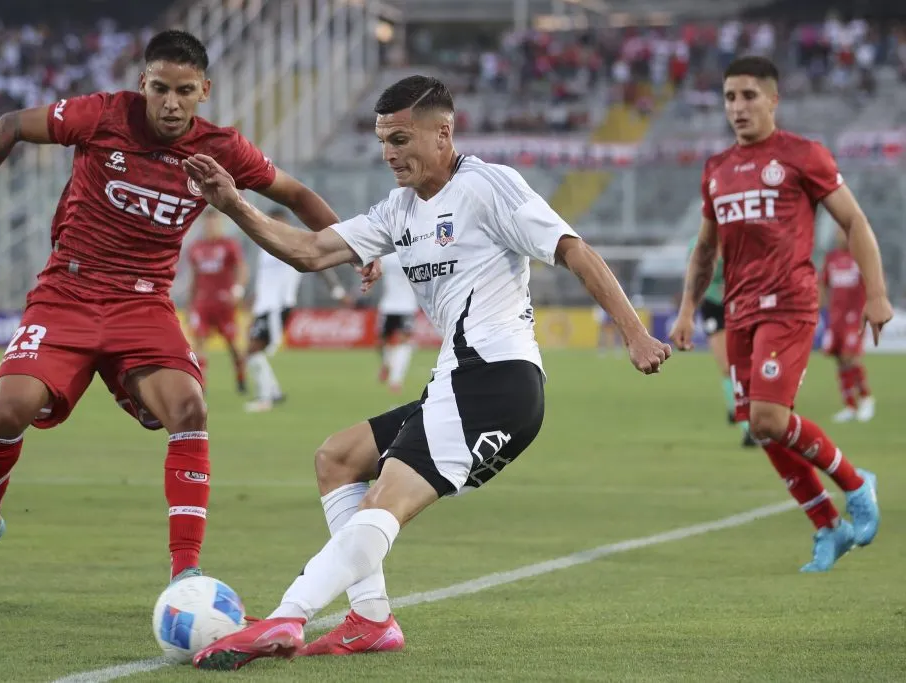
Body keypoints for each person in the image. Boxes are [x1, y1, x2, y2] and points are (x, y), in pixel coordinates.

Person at [181, 74, 671, 670]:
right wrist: (233, 203)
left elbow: (573, 249)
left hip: (494, 382)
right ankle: (370, 618)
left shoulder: (489, 187)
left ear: (444, 133)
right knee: (337, 459)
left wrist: (634, 332)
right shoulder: (399, 209)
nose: (390, 153)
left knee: (382, 503)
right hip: (459, 383)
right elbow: (309, 251)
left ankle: (289, 614)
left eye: (401, 138)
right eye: (384, 140)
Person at [0, 30, 354, 601]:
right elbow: (8, 126)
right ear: (142, 84)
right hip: (67, 292)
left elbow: (294, 193)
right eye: (160, 88)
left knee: (190, 407)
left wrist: (352, 246)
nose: (171, 103)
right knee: (7, 412)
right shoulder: (100, 115)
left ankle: (185, 576)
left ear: (204, 91)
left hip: (144, 303)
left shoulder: (221, 149)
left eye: (184, 91)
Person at [670, 56, 889, 573]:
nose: (738, 107)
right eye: (729, 97)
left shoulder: (802, 155)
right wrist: (685, 311)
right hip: (741, 312)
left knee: (768, 417)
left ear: (773, 99)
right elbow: (705, 251)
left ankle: (857, 486)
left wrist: (877, 294)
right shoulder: (716, 170)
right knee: (760, 425)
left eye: (748, 95)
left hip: (789, 303)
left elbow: (853, 220)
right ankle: (826, 526)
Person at [244, 207, 352, 413]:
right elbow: (265, 278)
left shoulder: (292, 242)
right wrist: (253, 297)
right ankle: (273, 392)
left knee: (253, 351)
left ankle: (266, 398)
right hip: (263, 306)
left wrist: (337, 291)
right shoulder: (263, 244)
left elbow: (319, 264)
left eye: (277, 221)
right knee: (253, 352)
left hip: (278, 306)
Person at [685, 234, 754, 446]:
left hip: (743, 304)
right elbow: (695, 276)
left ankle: (740, 409)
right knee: (726, 365)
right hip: (714, 305)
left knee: (746, 364)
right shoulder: (699, 243)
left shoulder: (743, 236)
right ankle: (746, 427)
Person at [186, 210, 248, 393]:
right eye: (208, 223)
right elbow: (194, 278)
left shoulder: (229, 245)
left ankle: (241, 376)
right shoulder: (196, 248)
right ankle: (201, 384)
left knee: (233, 346)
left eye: (214, 222)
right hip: (203, 303)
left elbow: (242, 269)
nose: (211, 226)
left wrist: (237, 290)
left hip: (224, 304)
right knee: (199, 343)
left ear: (220, 224)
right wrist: (191, 305)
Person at [819, 228, 874, 423]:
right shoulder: (831, 258)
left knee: (850, 358)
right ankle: (850, 405)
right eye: (838, 234)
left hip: (855, 317)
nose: (840, 237)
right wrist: (821, 308)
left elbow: (873, 282)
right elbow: (823, 284)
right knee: (840, 360)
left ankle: (866, 399)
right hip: (835, 318)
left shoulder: (860, 256)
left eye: (843, 233)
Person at [376, 251, 419, 393]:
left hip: (406, 306)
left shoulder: (414, 252)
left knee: (404, 341)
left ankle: (396, 380)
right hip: (388, 305)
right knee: (383, 342)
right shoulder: (387, 255)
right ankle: (387, 363)